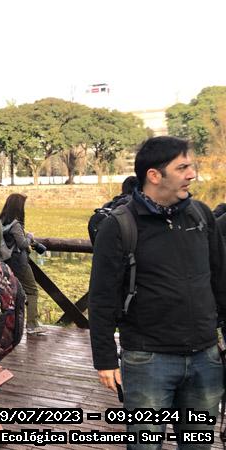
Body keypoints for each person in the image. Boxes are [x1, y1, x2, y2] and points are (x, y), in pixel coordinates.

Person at [89, 136, 226, 450]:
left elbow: (221, 283)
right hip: (148, 360)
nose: (192, 174)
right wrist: (105, 360)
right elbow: (101, 298)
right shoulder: (120, 225)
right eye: (182, 168)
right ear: (154, 175)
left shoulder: (201, 215)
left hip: (205, 358)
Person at [0, 193, 43, 335]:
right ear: (19, 207)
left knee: (12, 292)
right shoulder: (16, 224)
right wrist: (29, 236)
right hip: (19, 262)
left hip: (7, 262)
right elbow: (23, 244)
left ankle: (10, 324)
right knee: (32, 290)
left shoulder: (0, 221)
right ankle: (32, 324)